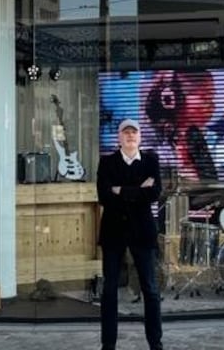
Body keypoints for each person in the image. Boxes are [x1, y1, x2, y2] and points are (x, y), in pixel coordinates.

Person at [96, 118, 163, 350]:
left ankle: (155, 343)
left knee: (151, 290)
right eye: (126, 133)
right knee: (109, 290)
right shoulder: (106, 163)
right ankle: (108, 344)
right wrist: (136, 191)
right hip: (113, 232)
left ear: (140, 137)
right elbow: (104, 196)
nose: (130, 136)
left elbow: (154, 193)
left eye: (134, 132)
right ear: (119, 137)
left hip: (142, 232)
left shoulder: (151, 162)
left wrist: (120, 190)